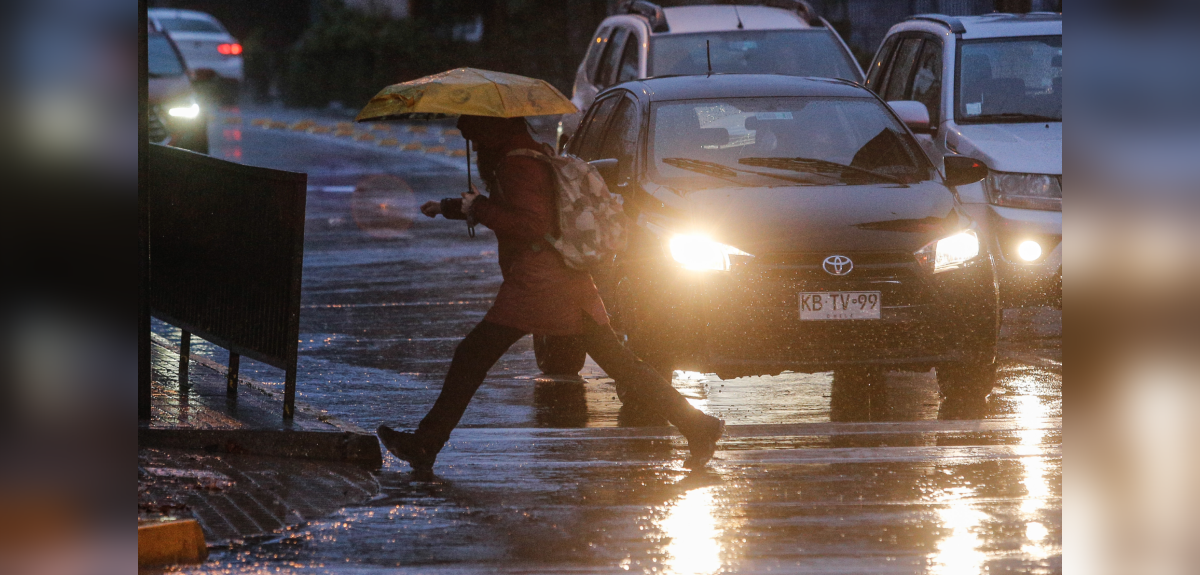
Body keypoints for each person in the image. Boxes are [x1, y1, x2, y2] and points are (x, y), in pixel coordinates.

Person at [377, 114, 724, 472]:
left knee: (472, 355)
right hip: (563, 278)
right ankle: (699, 426)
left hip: (540, 282)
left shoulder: (517, 166)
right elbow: (521, 211)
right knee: (622, 365)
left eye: (478, 136)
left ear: (493, 131)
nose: (476, 145)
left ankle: (425, 443)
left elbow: (532, 224)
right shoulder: (530, 154)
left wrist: (477, 208)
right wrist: (452, 207)